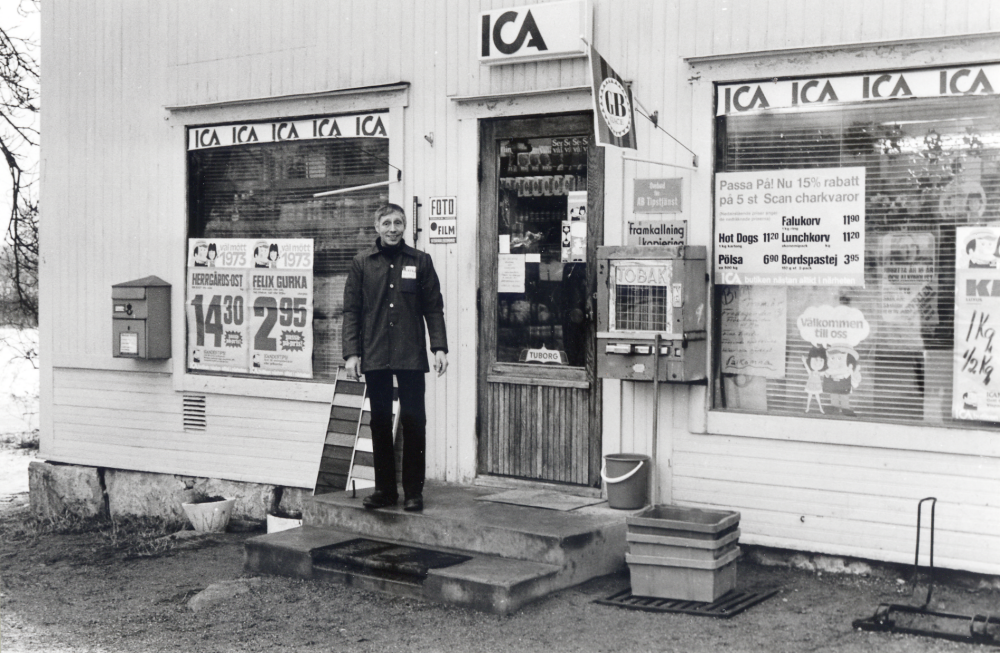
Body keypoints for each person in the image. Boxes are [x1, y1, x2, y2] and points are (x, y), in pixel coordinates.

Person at [342, 203, 448, 512]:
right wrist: (352, 353)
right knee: (379, 422)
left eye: (398, 222)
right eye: (386, 223)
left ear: (404, 227)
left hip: (410, 353)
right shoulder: (362, 264)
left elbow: (433, 307)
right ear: (376, 228)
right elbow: (351, 311)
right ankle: (385, 490)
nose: (392, 228)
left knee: (415, 421)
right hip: (375, 353)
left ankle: (413, 492)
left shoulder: (421, 261)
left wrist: (438, 347)